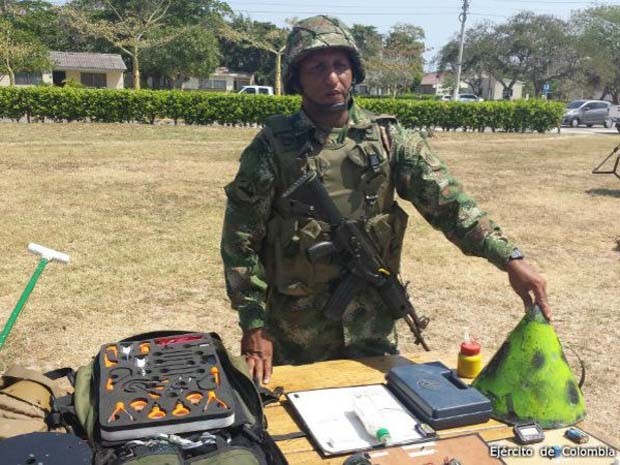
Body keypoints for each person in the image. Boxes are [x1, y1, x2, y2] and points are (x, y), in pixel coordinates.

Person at [221, 15, 550, 384]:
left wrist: (509, 258)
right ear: (297, 77)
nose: (332, 78)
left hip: (372, 327)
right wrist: (253, 324)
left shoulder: (389, 139)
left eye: (340, 65)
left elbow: (449, 204)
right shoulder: (271, 148)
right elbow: (240, 241)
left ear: (354, 71)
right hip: (296, 331)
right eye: (317, 67)